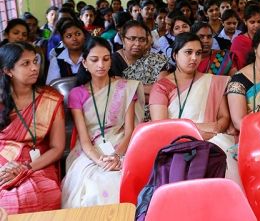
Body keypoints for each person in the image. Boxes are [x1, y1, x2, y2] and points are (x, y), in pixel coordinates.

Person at [62, 37, 144, 207]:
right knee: (93, 187)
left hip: (122, 144)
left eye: (106, 59)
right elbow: (84, 140)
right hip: (90, 150)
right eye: (94, 60)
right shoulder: (77, 94)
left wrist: (116, 156)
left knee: (123, 180)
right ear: (84, 62)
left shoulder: (125, 87)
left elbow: (129, 131)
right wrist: (101, 161)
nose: (101, 64)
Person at [149, 32, 239, 184]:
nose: (194, 58)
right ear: (175, 55)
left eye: (198, 53)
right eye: (188, 52)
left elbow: (224, 117)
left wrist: (216, 128)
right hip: (176, 144)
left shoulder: (213, 82)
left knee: (225, 161)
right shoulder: (162, 87)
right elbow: (161, 127)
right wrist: (197, 130)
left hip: (215, 140)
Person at [0, 42, 65, 214]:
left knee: (42, 195)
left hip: (37, 162)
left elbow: (57, 148)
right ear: (8, 71)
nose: (34, 67)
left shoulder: (50, 98)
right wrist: (6, 168)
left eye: (35, 61)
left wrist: (26, 168)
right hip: (3, 163)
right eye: (25, 64)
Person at [110, 21, 168, 119]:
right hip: (125, 115)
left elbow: (163, 91)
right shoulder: (114, 60)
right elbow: (119, 93)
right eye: (132, 39)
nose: (137, 44)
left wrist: (132, 88)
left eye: (141, 39)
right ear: (123, 39)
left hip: (157, 112)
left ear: (147, 41)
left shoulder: (157, 60)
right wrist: (150, 91)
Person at [46, 20, 86, 84]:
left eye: (78, 34)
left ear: (84, 36)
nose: (74, 39)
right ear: (63, 40)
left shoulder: (91, 56)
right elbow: (51, 85)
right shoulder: (57, 60)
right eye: (69, 36)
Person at [230, 5, 260, 70]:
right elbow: (233, 66)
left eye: (259, 21)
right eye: (252, 22)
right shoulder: (238, 41)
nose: (256, 25)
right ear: (245, 22)